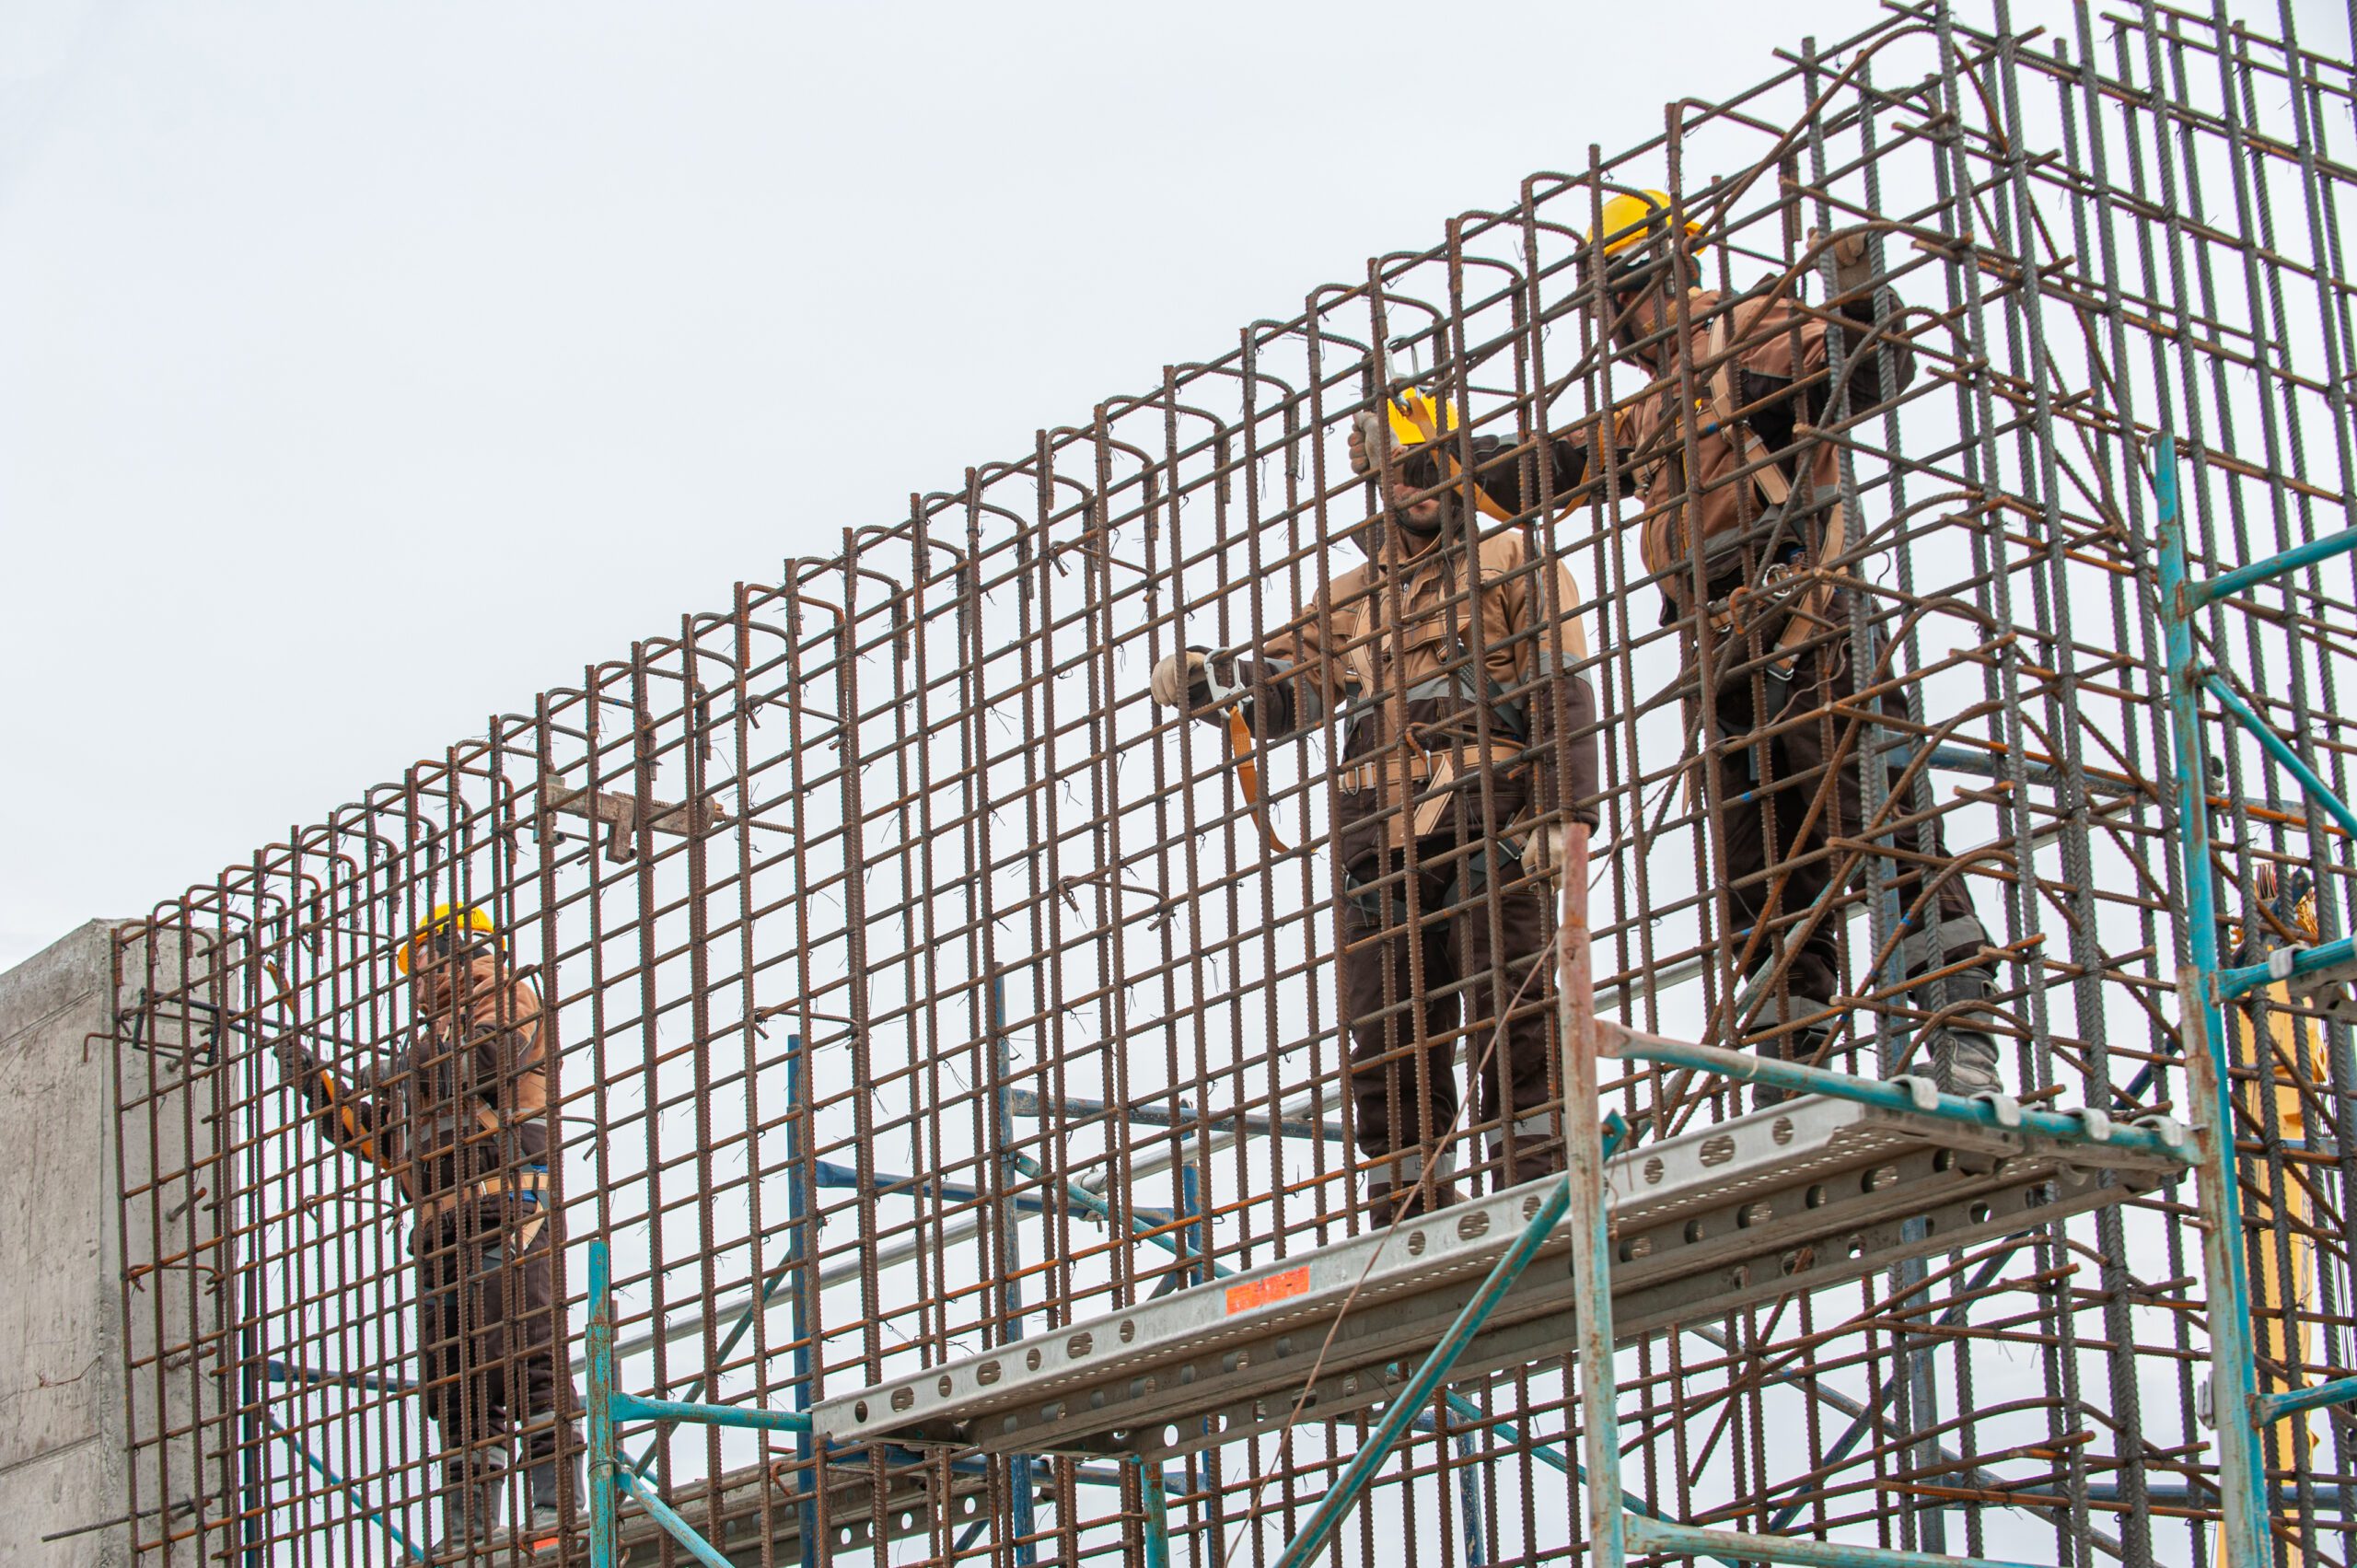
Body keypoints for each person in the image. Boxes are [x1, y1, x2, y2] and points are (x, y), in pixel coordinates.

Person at [1551, 187, 2007, 1098]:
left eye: (1606, 301)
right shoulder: (1649, 407)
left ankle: (1957, 1027)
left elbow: (1858, 368)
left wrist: (1855, 303)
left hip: (1796, 603)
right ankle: (1785, 1057)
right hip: (1717, 637)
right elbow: (1554, 464)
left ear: (1638, 278)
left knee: (1871, 809)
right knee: (1756, 850)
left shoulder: (1743, 329)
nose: (1605, 327)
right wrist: (1444, 459)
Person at [1150, 395, 1603, 1222]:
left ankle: (1534, 1167)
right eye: (1397, 470)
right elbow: (1291, 693)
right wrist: (1220, 686)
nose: (1415, 484)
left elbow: (1562, 693)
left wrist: (1560, 812)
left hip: (1488, 813)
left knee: (1513, 992)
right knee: (1386, 1017)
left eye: (1428, 463)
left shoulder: (1513, 560)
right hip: (1375, 835)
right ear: (1374, 479)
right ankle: (1403, 1190)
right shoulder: (1351, 593)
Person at [279, 903, 579, 1554]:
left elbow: (479, 1065)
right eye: (416, 971)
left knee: (530, 1359)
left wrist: (391, 1069)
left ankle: (558, 1508)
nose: (423, 980)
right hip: (441, 1230)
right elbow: (388, 1141)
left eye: (426, 963)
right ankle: (469, 1530)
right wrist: (323, 1089)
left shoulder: (510, 995)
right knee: (460, 1387)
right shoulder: (426, 1047)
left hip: (509, 1212)